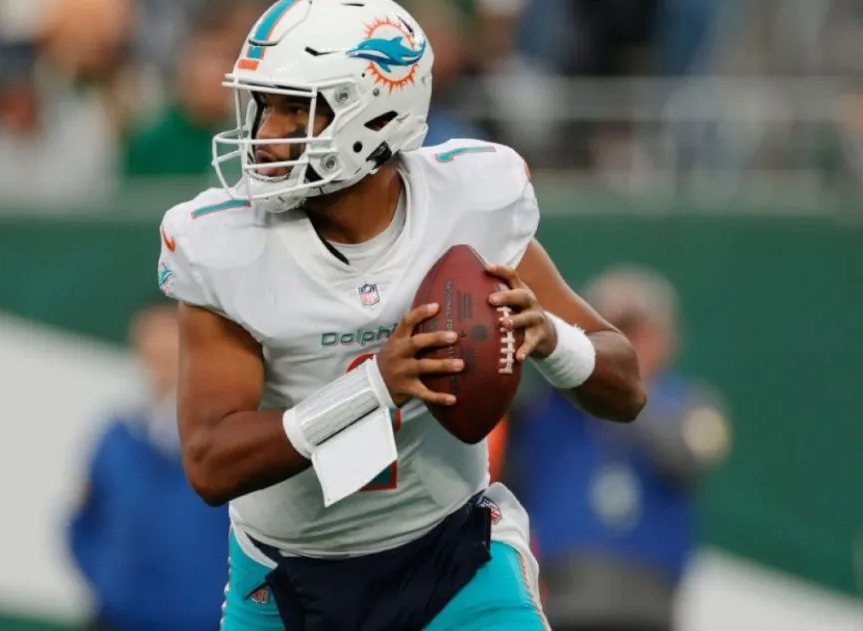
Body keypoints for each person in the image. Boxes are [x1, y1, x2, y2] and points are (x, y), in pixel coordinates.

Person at [156, 1, 647, 629]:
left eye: (295, 109)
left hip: (454, 562)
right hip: (287, 581)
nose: (267, 132)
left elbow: (627, 388)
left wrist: (552, 340)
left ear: (375, 111)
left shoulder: (470, 203)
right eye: (264, 105)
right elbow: (209, 460)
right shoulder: (225, 245)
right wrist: (373, 390)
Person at [506, 266, 731, 631]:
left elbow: (687, 457)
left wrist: (623, 384)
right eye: (612, 328)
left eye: (636, 329)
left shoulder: (694, 405)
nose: (626, 340)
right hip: (558, 598)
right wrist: (579, 358)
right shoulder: (544, 404)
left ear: (667, 337)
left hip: (649, 604)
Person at [67, 299, 231, 631]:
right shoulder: (116, 436)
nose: (161, 352)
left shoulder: (232, 431)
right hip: (121, 620)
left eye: (173, 339)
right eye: (151, 340)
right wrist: (111, 586)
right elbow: (84, 520)